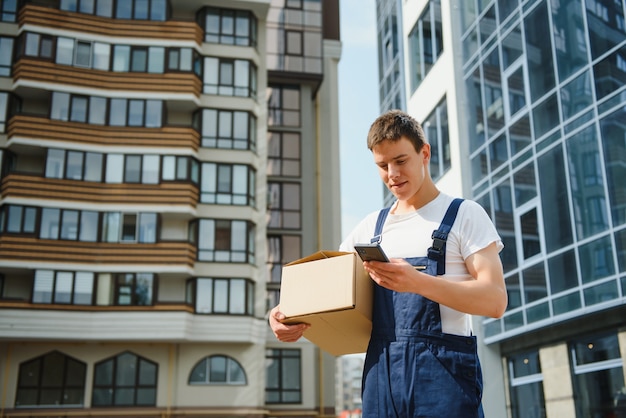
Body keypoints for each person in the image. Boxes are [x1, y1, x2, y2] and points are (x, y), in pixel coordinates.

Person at [269, 109, 507, 418]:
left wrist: (418, 282)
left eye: (400, 161)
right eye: (382, 166)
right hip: (381, 373)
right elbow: (325, 291)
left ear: (425, 153)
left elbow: (495, 300)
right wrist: (280, 315)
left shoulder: (465, 215)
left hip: (444, 375)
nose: (392, 174)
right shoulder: (370, 229)